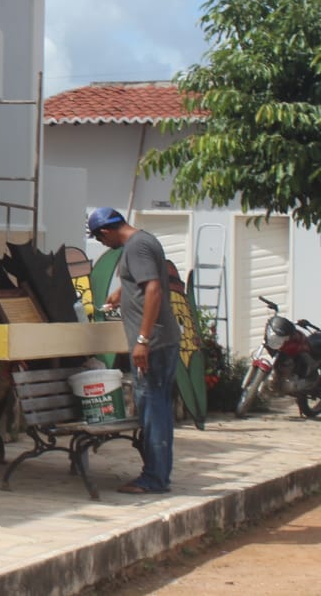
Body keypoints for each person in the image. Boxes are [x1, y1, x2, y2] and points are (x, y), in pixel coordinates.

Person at [89, 206, 181, 494]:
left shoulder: (136, 247)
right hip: (162, 340)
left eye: (100, 239)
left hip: (153, 343)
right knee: (160, 407)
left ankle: (154, 478)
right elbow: (143, 284)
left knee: (153, 409)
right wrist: (121, 294)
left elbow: (153, 289)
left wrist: (142, 340)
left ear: (106, 231)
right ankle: (160, 474)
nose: (103, 244)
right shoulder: (145, 240)